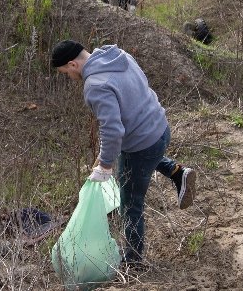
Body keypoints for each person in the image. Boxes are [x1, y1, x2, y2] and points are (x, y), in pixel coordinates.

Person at [51, 40, 196, 265]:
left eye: (65, 73)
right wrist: (105, 155)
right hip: (160, 128)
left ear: (72, 65)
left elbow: (113, 130)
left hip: (142, 143)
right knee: (139, 157)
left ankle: (133, 261)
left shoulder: (95, 85)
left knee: (130, 204)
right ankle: (177, 172)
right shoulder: (119, 55)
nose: (68, 78)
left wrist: (106, 164)